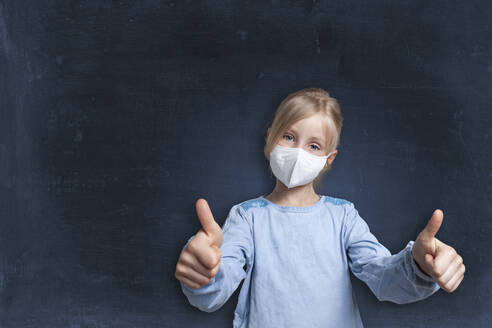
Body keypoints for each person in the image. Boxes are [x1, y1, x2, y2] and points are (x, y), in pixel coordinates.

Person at [174, 88, 466, 327]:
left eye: (314, 146)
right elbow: (216, 287)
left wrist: (418, 264)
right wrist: (203, 273)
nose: (298, 152)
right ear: (270, 139)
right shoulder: (247, 217)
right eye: (288, 137)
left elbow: (384, 276)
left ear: (329, 159)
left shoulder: (343, 217)